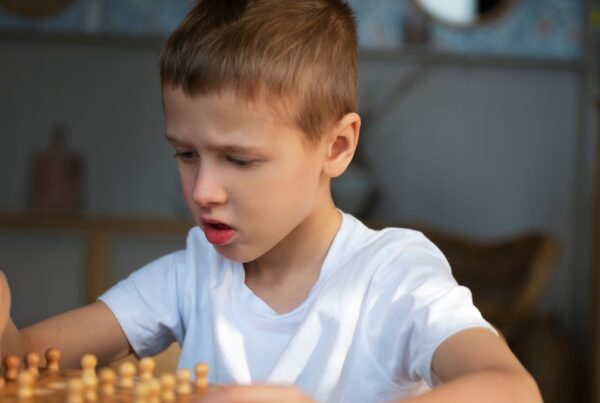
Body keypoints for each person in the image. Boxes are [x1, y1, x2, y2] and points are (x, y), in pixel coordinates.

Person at [0, 0, 542, 402]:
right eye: (186, 154)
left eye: (239, 160)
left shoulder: (393, 275)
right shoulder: (191, 274)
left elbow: (512, 390)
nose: (202, 191)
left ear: (336, 146)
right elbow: (21, 361)